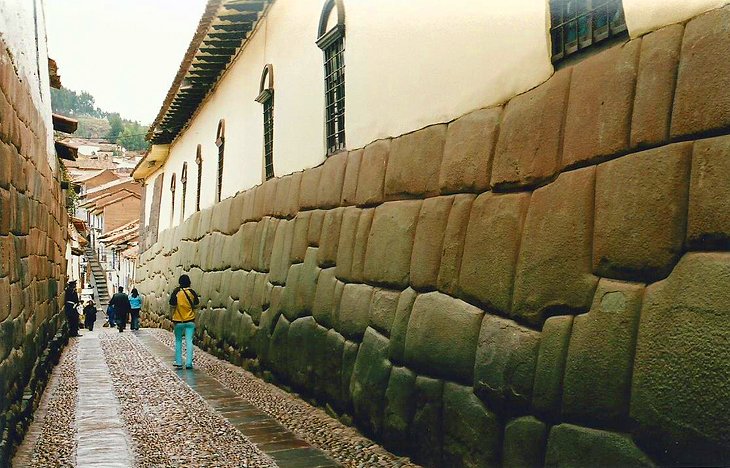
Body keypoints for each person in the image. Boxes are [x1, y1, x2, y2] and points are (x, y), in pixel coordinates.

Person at [169, 275, 200, 369]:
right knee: (189, 341)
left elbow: (172, 305)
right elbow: (197, 304)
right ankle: (189, 363)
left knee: (178, 341)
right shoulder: (191, 292)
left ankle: (178, 362)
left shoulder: (176, 292)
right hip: (190, 320)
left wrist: (173, 315)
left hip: (178, 321)